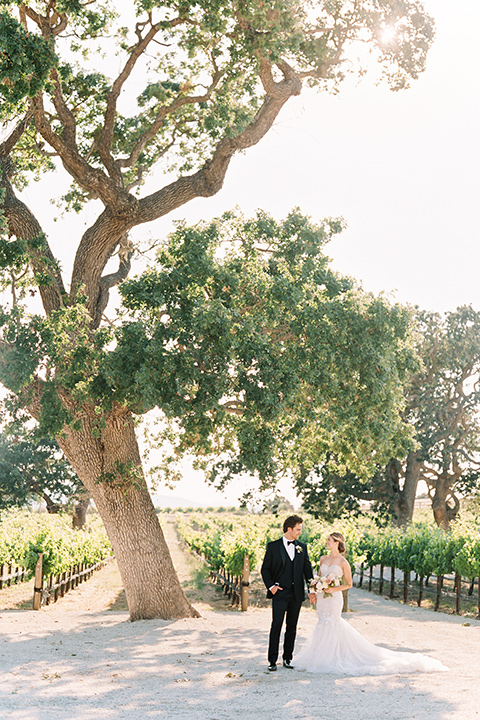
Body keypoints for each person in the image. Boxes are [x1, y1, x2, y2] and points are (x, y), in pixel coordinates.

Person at [294, 531, 449, 675]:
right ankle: (321, 656)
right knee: (322, 622)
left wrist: (333, 589)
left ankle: (333, 657)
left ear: (337, 543)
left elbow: (348, 584)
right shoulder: (323, 559)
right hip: (323, 598)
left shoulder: (343, 562)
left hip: (334, 598)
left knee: (333, 622)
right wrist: (316, 587)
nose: (326, 542)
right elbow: (320, 576)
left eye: (329, 540)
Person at [261, 515, 314, 672]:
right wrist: (271, 587)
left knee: (292, 626)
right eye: (298, 530)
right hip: (279, 593)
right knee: (276, 625)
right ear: (288, 529)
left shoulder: (302, 547)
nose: (300, 533)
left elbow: (307, 571)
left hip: (296, 594)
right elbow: (265, 569)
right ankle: (272, 660)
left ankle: (287, 658)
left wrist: (311, 589)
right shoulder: (273, 547)